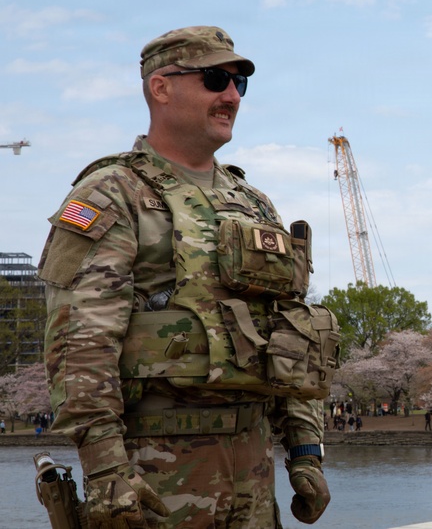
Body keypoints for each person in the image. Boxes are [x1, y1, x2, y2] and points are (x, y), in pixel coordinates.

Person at [40, 26, 337, 528]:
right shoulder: (111, 192)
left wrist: (305, 451)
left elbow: (289, 333)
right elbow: (79, 344)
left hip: (254, 471)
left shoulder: (253, 202)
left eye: (239, 84)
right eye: (216, 78)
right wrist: (106, 466)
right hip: (151, 475)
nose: (230, 96)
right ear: (161, 87)